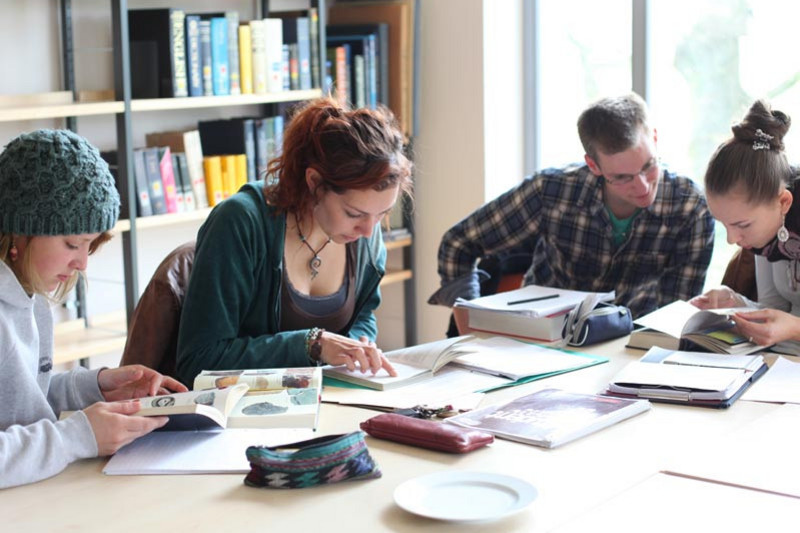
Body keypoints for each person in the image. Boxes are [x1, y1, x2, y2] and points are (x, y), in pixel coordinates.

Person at [176, 98, 413, 385]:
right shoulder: (241, 222)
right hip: (241, 415)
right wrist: (313, 345)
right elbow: (199, 360)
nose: (368, 230)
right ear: (314, 182)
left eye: (382, 214)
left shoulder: (365, 233)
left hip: (326, 404)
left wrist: (358, 346)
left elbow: (363, 315)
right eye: (354, 213)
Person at [0, 129, 187, 489]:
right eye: (72, 243)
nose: (82, 264)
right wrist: (76, 437)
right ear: (19, 231)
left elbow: (18, 400)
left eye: (90, 246)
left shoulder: (31, 293)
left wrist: (97, 387)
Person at [429, 93, 715, 320]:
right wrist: (472, 323)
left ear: (654, 138)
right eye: (622, 177)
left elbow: (674, 320)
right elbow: (458, 244)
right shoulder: (551, 192)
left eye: (648, 166)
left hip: (631, 352)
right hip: (538, 345)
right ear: (593, 165)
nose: (641, 186)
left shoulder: (690, 209)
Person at [690, 100, 800, 354]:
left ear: (783, 201)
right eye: (724, 225)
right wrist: (735, 302)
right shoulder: (767, 235)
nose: (732, 239)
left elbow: (788, 325)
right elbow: (775, 311)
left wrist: (794, 328)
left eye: (741, 224)